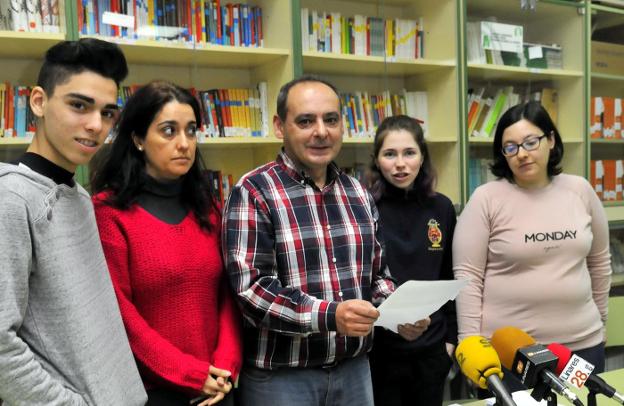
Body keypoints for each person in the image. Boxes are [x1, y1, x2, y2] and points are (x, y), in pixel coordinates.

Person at [221, 75, 396, 406]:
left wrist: (397, 311)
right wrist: (331, 316)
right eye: (305, 121)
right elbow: (252, 291)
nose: (321, 131)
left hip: (355, 371)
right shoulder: (254, 191)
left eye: (331, 119)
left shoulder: (358, 192)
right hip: (283, 379)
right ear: (279, 126)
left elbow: (378, 276)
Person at [0, 38, 147, 404]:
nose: (96, 125)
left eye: (108, 112)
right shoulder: (12, 199)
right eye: (79, 105)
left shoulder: (78, 195)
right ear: (38, 102)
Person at [90, 81, 242, 406]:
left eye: (191, 130)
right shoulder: (109, 213)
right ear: (138, 139)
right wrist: (192, 373)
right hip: (153, 393)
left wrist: (225, 367)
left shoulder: (208, 208)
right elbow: (121, 315)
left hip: (217, 388)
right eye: (169, 131)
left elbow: (228, 296)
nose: (184, 144)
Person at [453, 101, 612, 378]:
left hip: (582, 346)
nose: (522, 154)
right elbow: (467, 275)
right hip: (509, 352)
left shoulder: (581, 190)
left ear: (550, 140)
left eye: (530, 142)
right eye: (511, 147)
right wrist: (469, 342)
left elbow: (599, 263)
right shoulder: (486, 198)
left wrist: (600, 320)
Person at [367, 115, 457, 406]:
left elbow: (450, 274)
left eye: (409, 153)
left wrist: (450, 342)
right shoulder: (365, 207)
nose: (400, 163)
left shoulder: (441, 207)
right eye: (389, 154)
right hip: (381, 352)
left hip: (432, 350)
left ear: (422, 157)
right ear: (377, 160)